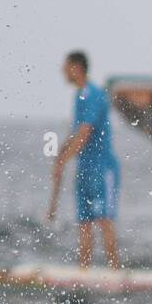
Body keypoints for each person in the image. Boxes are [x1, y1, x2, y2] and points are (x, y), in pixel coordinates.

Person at [47, 50, 120, 268]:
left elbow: (85, 134)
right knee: (85, 222)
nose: (62, 70)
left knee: (104, 220)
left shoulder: (95, 95)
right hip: (85, 170)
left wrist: (63, 161)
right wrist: (60, 154)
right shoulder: (79, 96)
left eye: (66, 66)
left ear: (76, 68)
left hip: (102, 169)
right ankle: (84, 271)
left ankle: (115, 271)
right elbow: (75, 132)